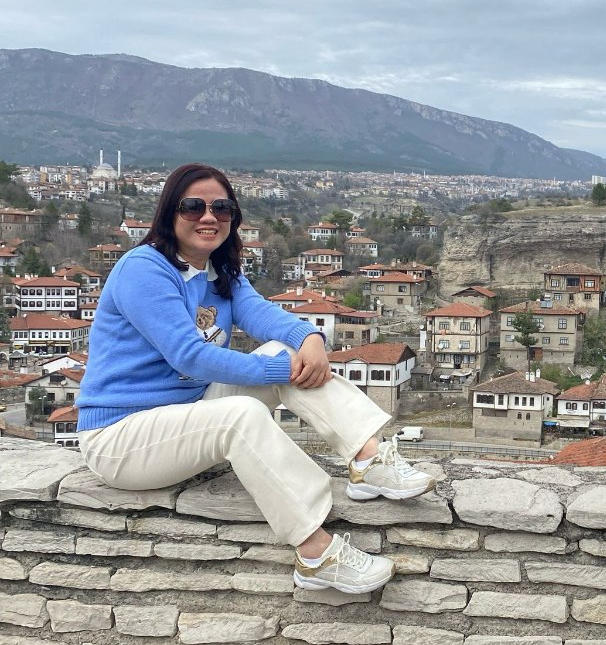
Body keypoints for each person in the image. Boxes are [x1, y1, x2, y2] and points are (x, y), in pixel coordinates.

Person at [77, 163, 435, 595]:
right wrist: (285, 369)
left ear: (234, 217)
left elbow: (261, 315)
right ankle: (315, 553)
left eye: (222, 207)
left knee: (281, 350)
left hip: (185, 416)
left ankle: (368, 459)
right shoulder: (145, 270)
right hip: (122, 438)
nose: (209, 217)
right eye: (194, 206)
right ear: (169, 213)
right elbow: (189, 357)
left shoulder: (219, 271)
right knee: (242, 412)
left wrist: (309, 338)